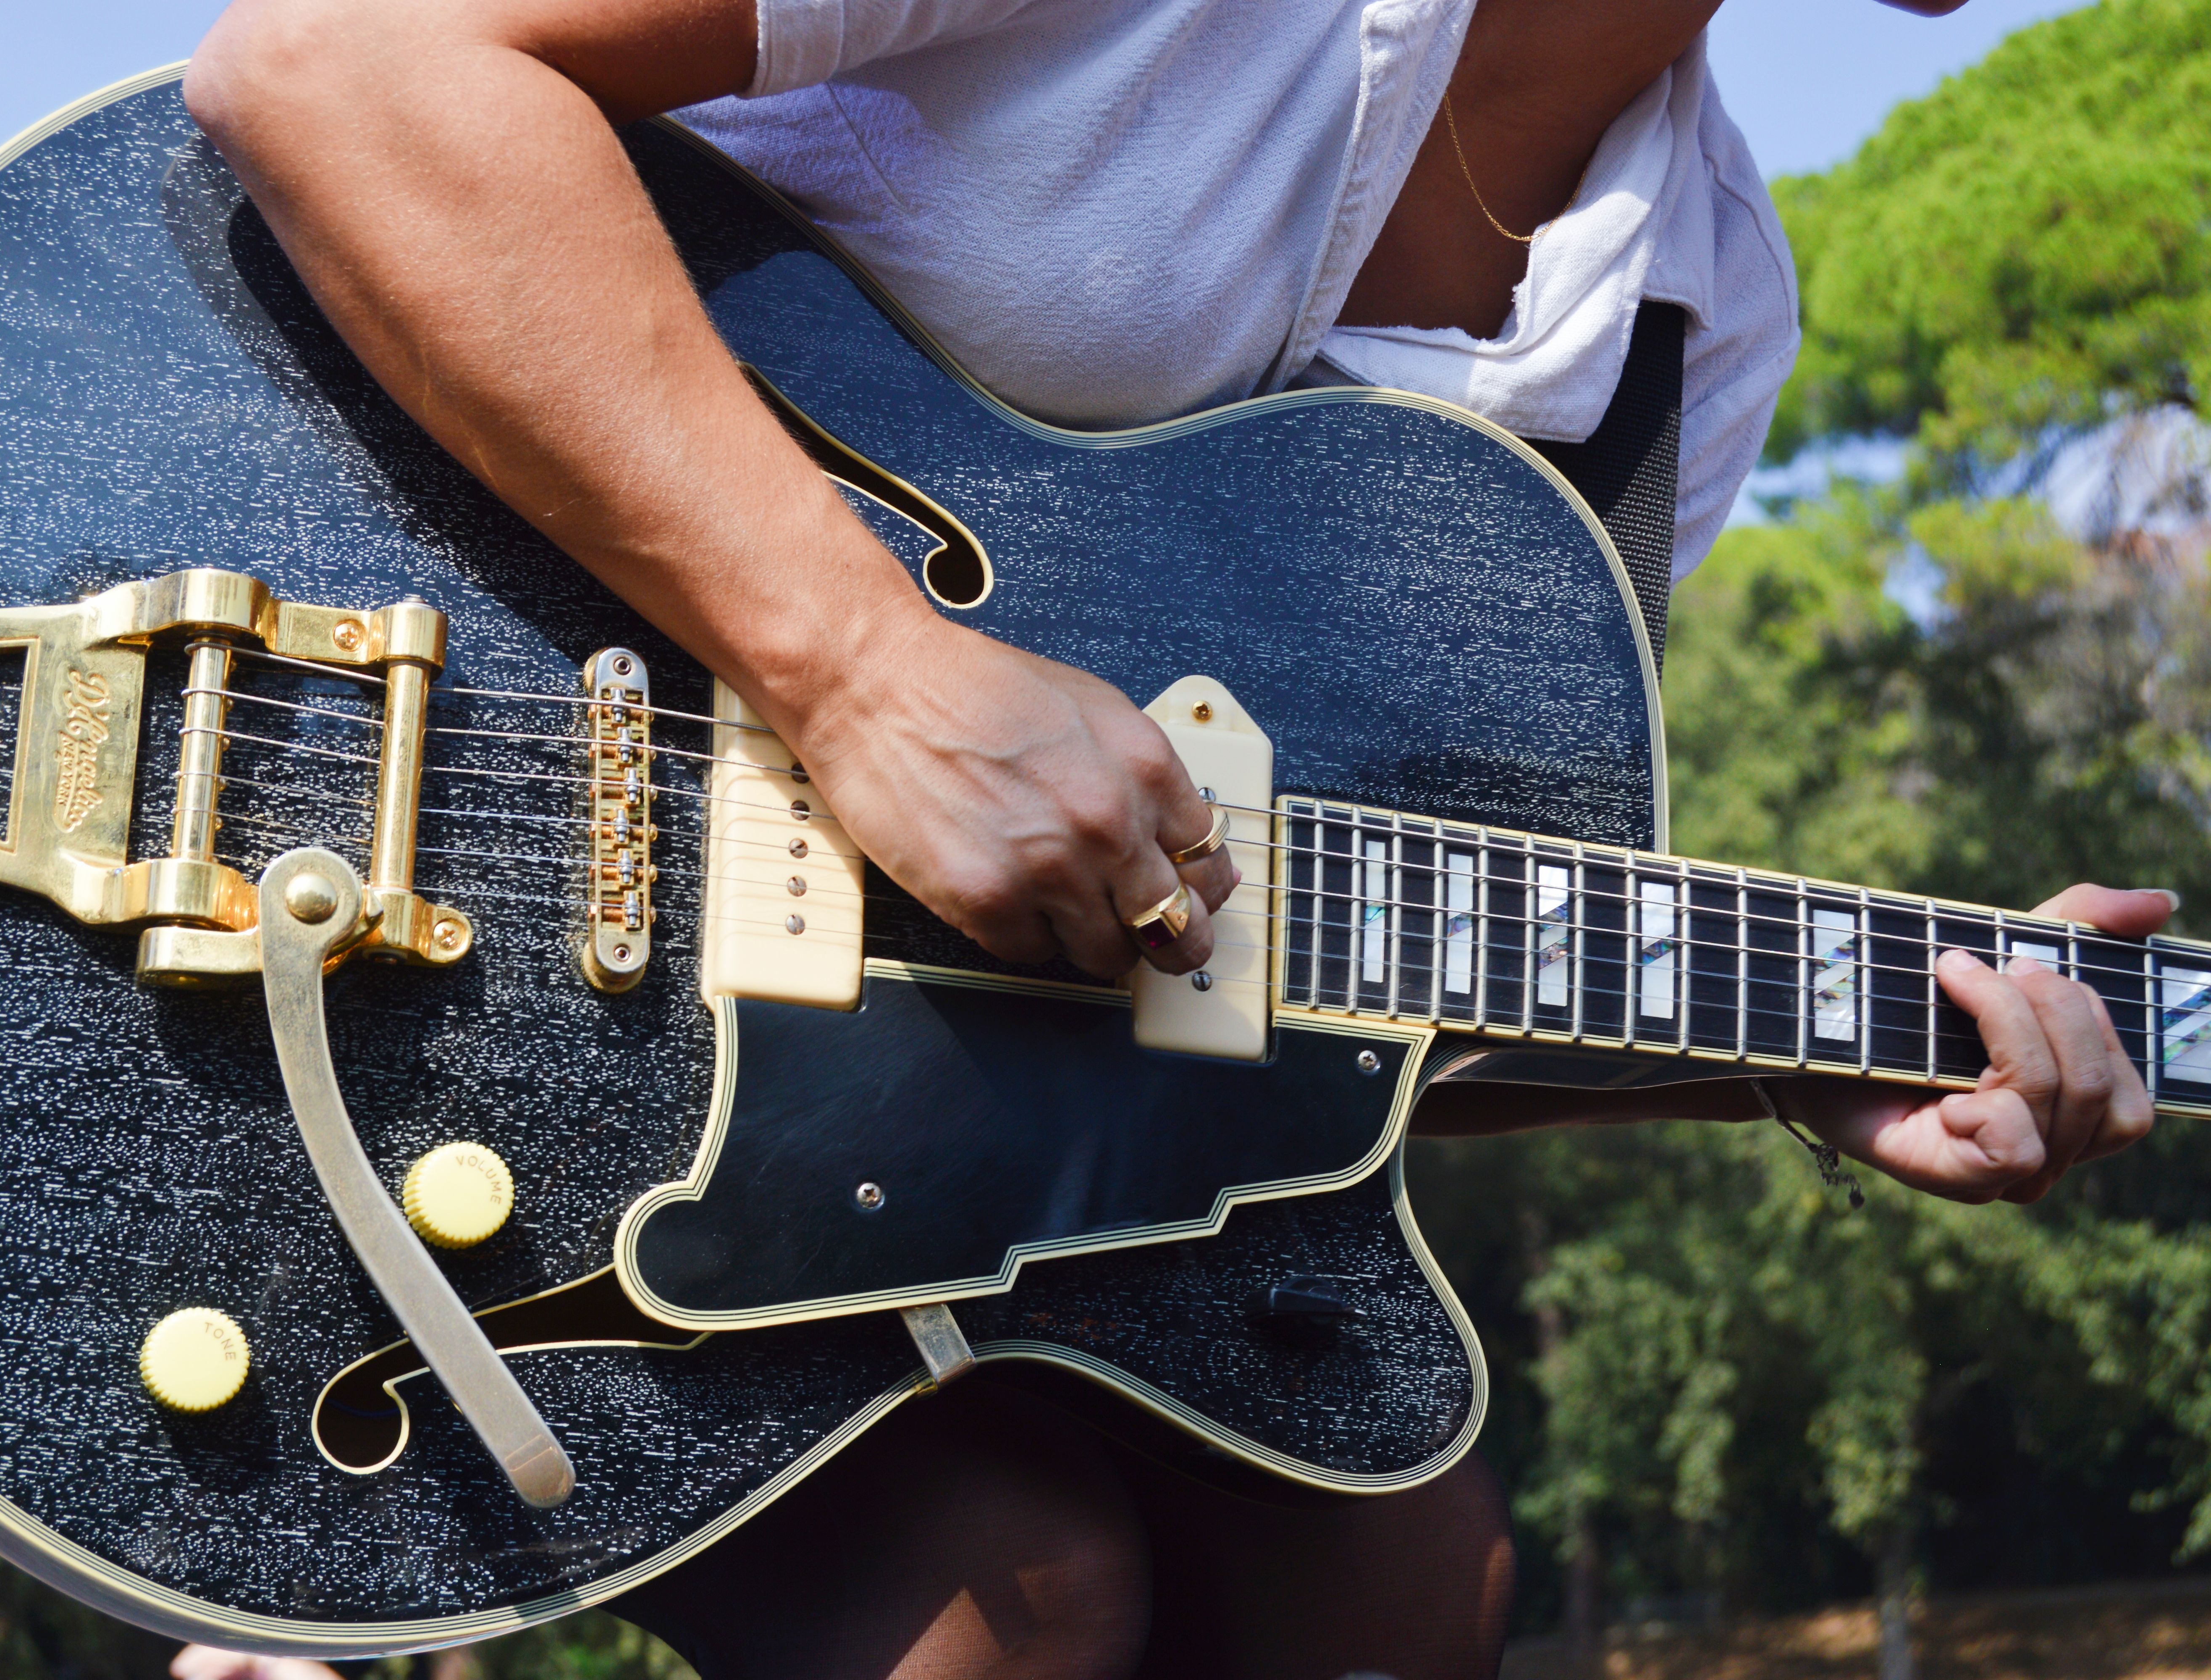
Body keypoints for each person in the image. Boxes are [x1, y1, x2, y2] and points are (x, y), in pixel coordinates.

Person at [166, 0, 2171, 1675]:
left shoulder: (1688, 320)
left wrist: (1801, 1044)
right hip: (421, 829)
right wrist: (861, 670)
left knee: (1399, 1581)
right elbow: (339, 63)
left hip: (956, 1167)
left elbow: (1296, 976)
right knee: (1009, 1606)